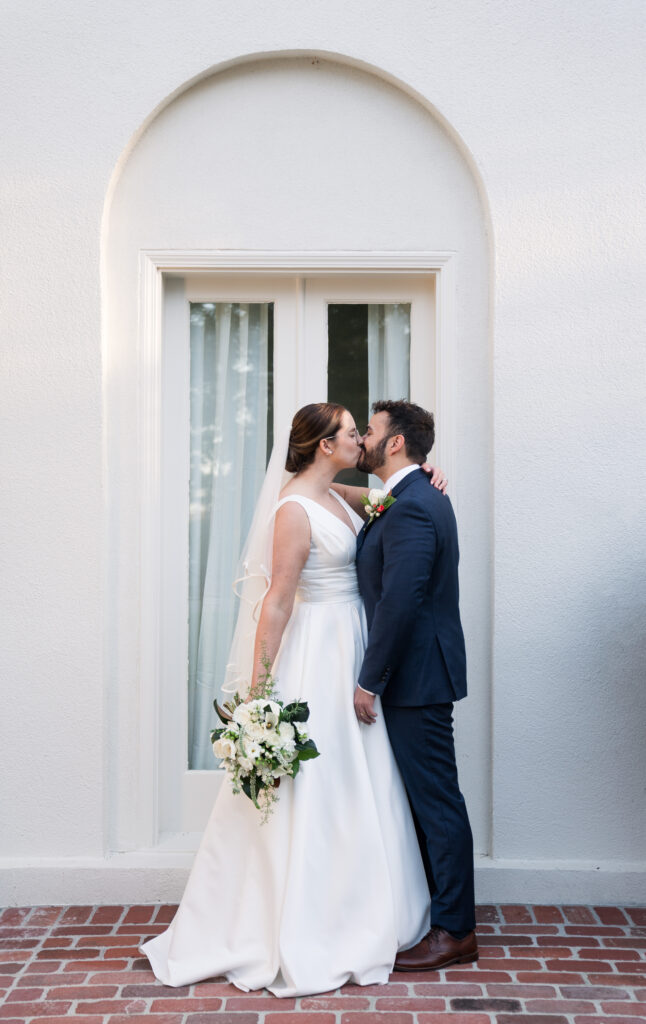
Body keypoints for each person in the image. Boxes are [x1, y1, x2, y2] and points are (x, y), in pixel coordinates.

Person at [140, 402, 448, 997]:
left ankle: (370, 903)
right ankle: (300, 919)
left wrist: (429, 475)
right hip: (316, 653)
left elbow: (392, 498)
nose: (362, 439)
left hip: (354, 644)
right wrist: (258, 689)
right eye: (352, 433)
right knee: (320, 779)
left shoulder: (342, 497)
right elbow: (278, 600)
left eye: (364, 430)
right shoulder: (293, 511)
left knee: (365, 775)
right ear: (324, 445)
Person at [352, 400, 477, 971]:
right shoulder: (410, 497)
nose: (364, 438)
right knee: (427, 798)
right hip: (417, 674)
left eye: (371, 430)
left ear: (396, 442)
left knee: (437, 801)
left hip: (416, 678)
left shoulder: (413, 508)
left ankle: (455, 930)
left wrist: (368, 681)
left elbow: (401, 603)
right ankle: (437, 912)